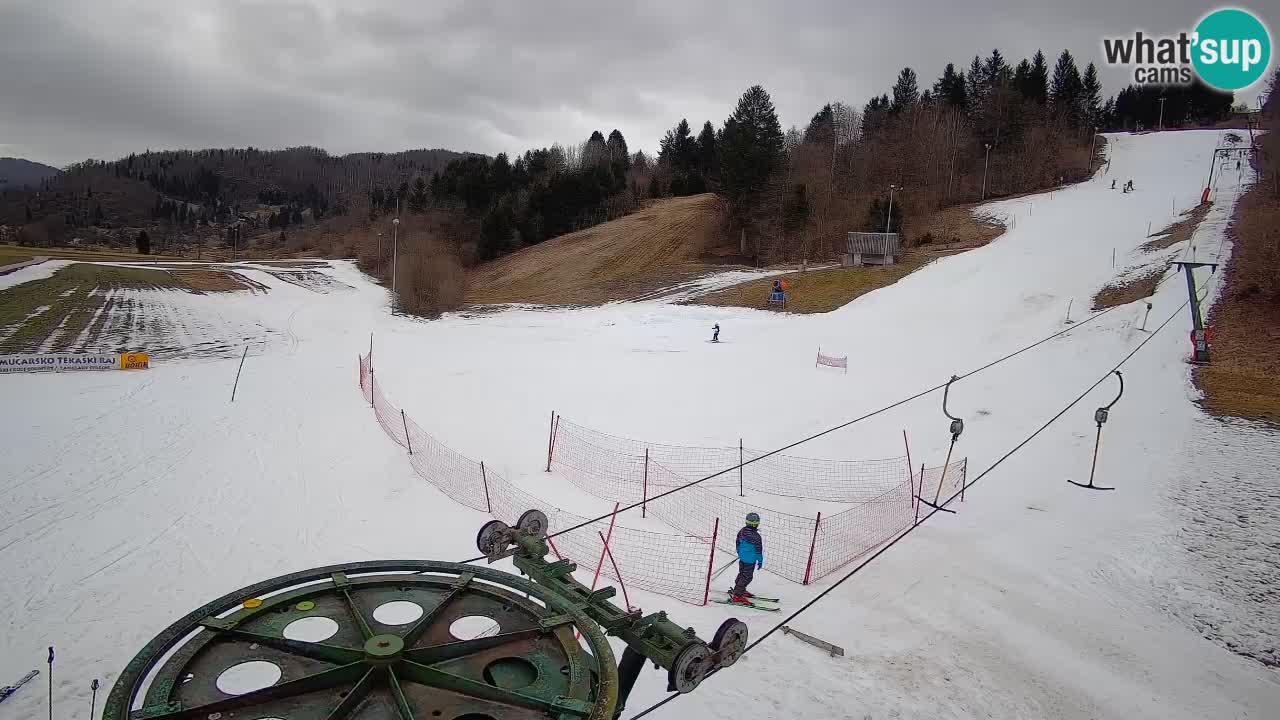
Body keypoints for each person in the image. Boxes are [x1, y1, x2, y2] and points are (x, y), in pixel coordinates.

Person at [730, 512, 764, 604]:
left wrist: (739, 552)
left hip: (742, 558)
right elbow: (758, 551)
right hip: (750, 561)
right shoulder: (756, 537)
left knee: (742, 574)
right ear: (756, 524)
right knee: (747, 577)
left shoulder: (742, 531)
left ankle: (739, 589)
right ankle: (738, 596)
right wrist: (760, 561)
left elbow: (738, 542)